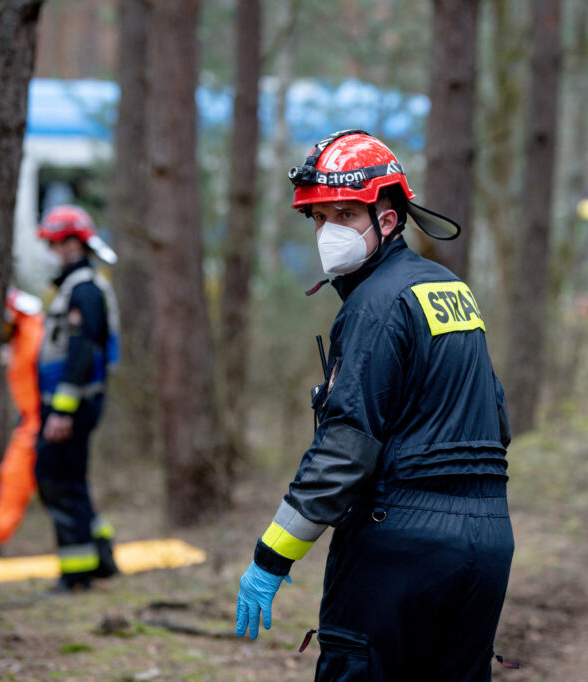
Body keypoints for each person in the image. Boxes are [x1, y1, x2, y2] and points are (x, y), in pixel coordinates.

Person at [234, 130, 514, 681]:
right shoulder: (451, 289)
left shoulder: (374, 304)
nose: (326, 232)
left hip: (397, 545)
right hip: (489, 541)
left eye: (342, 215)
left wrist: (272, 556)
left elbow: (346, 449)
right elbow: (497, 419)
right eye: (317, 218)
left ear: (387, 220)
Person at [34, 205, 121, 592]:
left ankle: (77, 572)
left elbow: (82, 353)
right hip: (68, 404)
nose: (53, 251)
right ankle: (100, 557)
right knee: (72, 481)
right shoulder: (76, 286)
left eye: (56, 243)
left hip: (72, 405)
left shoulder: (84, 289)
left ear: (73, 243)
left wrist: (62, 411)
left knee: (56, 479)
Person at [0, 287, 45, 556]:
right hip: (31, 419)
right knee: (14, 476)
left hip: (41, 420)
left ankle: (90, 547)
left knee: (55, 485)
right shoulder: (23, 337)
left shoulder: (33, 336)